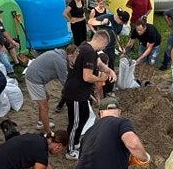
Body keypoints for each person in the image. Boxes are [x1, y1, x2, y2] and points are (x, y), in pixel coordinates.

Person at [61, 31, 116, 160]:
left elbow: (98, 63)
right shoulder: (89, 52)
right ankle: (70, 150)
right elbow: (87, 77)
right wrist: (101, 79)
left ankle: (75, 142)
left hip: (82, 93)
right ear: (103, 42)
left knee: (84, 117)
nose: (104, 49)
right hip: (75, 93)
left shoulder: (85, 45)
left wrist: (109, 70)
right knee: (75, 122)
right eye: (105, 46)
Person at [25, 45, 77, 132]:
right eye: (75, 57)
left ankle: (40, 122)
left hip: (35, 75)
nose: (75, 60)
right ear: (70, 55)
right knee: (44, 106)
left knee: (46, 98)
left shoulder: (60, 54)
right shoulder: (60, 61)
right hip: (34, 79)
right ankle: (48, 131)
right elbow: (65, 82)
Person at [125, 19, 161, 87]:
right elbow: (131, 43)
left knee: (151, 63)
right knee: (141, 63)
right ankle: (139, 79)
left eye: (140, 30)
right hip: (143, 44)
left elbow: (149, 49)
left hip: (154, 46)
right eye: (137, 30)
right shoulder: (135, 31)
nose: (138, 32)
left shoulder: (151, 32)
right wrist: (124, 51)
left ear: (144, 27)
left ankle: (148, 80)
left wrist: (140, 58)